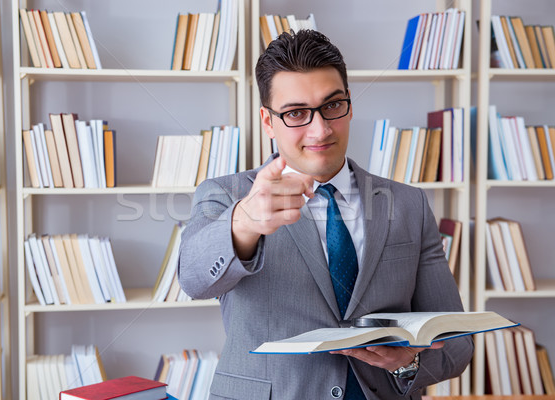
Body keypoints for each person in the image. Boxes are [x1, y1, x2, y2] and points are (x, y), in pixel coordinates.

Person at [178, 29, 473, 400]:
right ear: (268, 121)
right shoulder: (228, 196)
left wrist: (407, 361)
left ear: (349, 104)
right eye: (296, 113)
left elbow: (456, 344)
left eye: (332, 105)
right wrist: (245, 222)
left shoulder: (408, 203)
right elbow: (191, 278)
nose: (321, 129)